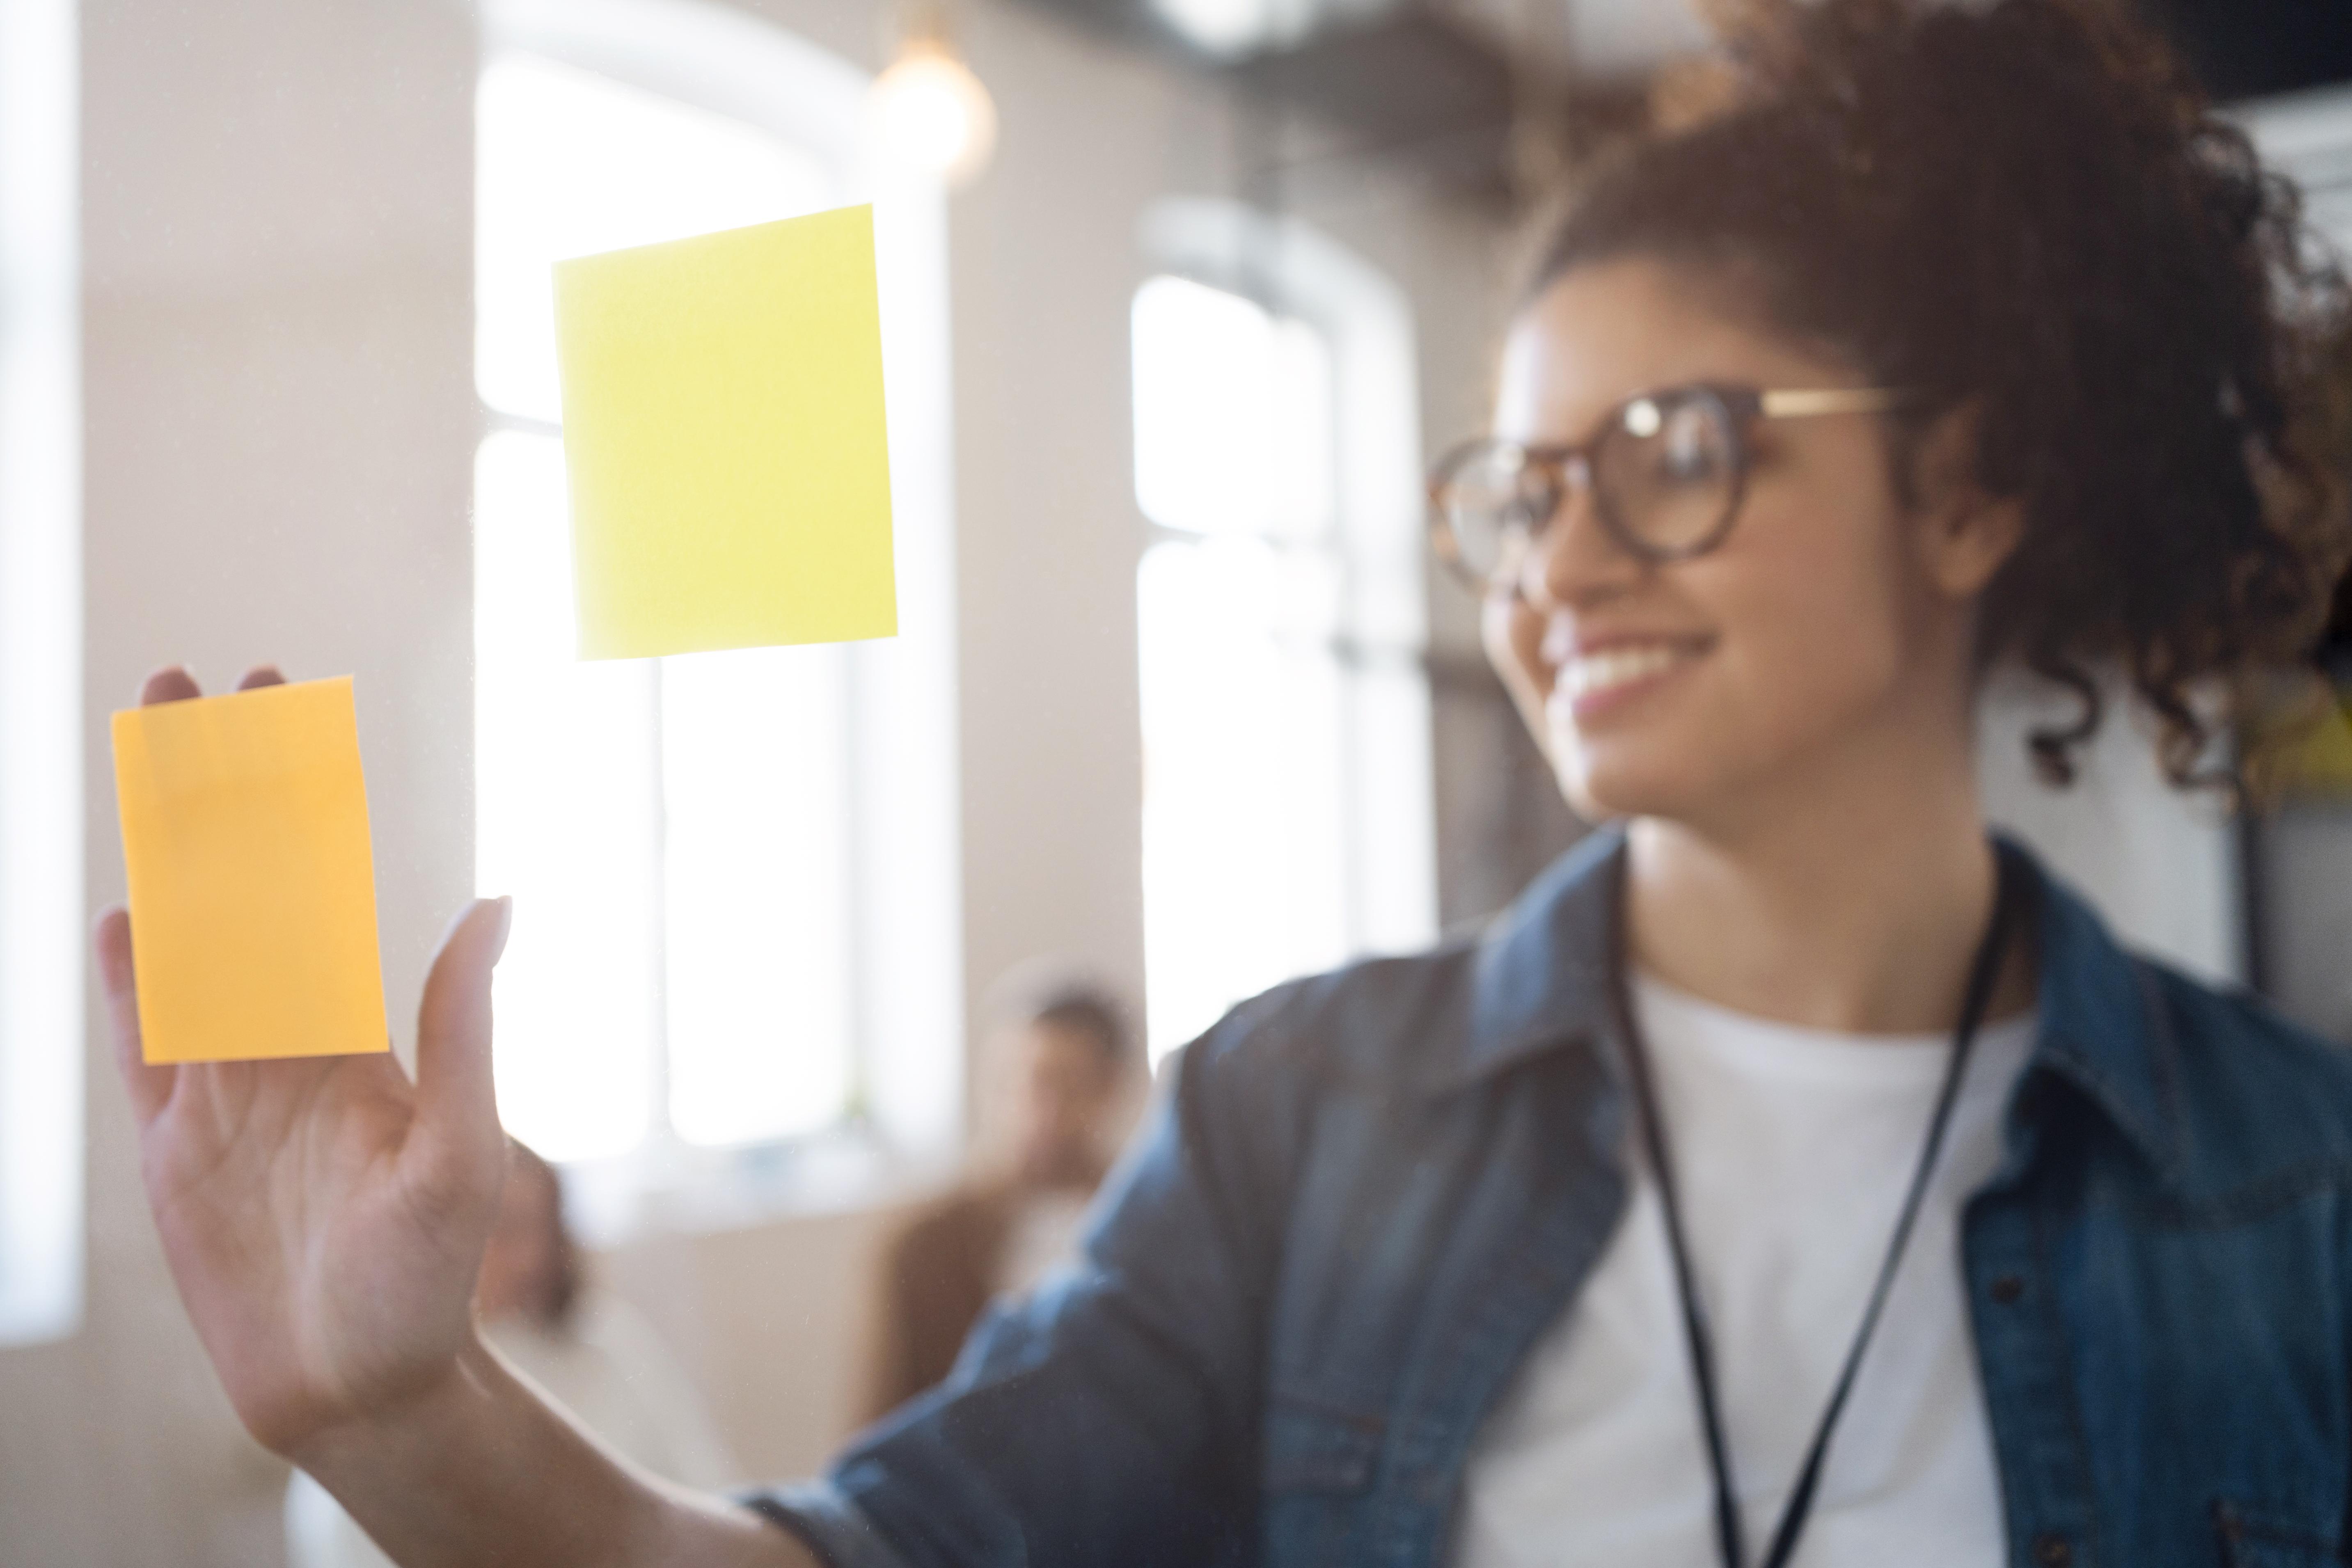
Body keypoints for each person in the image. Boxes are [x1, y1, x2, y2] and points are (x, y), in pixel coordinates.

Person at [96, 1, 2352, 1563]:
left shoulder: (2297, 1190)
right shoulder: (1308, 1115)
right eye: (1515, 484)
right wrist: (401, 1416)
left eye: (1671, 453)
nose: (1559, 562)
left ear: (1965, 486)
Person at [283, 1141, 737, 1568]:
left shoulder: (608, 1341)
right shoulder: (396, 1377)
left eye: (531, 1227)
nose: (519, 1256)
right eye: (497, 1227)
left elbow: (704, 1486)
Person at [857, 978, 1135, 1425]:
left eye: (1066, 1085)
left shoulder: (1145, 1230)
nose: (1038, 1111)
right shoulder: (924, 1245)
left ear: (1111, 1088)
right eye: (1012, 1083)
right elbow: (878, 1427)